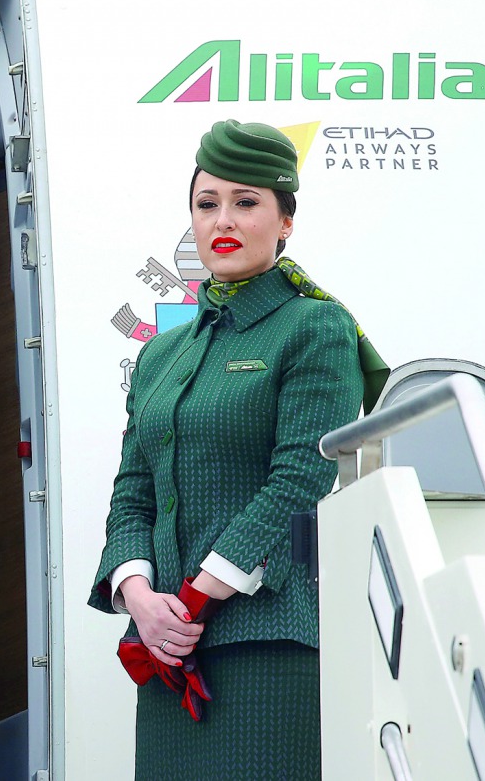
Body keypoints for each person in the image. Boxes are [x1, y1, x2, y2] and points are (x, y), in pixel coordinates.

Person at [89, 120, 386, 779]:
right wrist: (137, 594)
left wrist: (194, 599)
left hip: (266, 638)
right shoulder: (163, 352)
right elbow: (132, 491)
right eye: (206, 203)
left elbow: (301, 478)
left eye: (246, 202)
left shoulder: (315, 326)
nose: (222, 219)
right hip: (167, 647)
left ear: (285, 222)